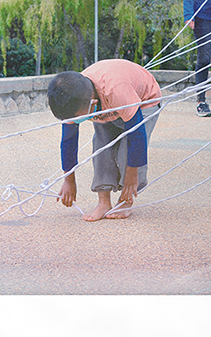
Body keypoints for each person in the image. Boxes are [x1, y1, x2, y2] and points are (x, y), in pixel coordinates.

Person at [47, 59, 162, 222]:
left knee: (126, 152)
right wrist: (69, 180)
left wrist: (131, 175)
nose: (75, 121)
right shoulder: (72, 99)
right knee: (101, 146)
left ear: (93, 103)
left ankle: (125, 200)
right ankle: (104, 202)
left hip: (143, 103)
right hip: (107, 108)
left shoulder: (116, 90)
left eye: (79, 118)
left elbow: (137, 135)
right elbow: (68, 142)